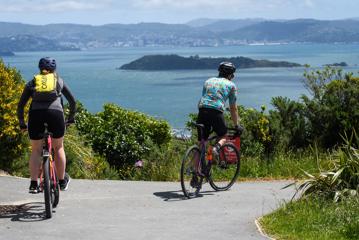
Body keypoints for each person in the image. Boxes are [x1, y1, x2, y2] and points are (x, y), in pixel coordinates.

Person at [17, 57, 76, 193]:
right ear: (54, 69)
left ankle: (33, 184)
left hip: (36, 115)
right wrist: (70, 118)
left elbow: (21, 106)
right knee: (58, 147)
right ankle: (61, 181)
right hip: (55, 115)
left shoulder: (32, 82)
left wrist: (22, 123)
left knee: (36, 150)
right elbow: (72, 101)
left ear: (40, 68)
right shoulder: (58, 81)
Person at [197, 61, 243, 156]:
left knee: (202, 142)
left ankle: (195, 168)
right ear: (230, 75)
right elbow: (233, 108)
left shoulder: (208, 81)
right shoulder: (231, 85)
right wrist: (236, 125)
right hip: (216, 111)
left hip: (202, 111)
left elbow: (202, 99)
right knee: (224, 136)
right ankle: (215, 149)